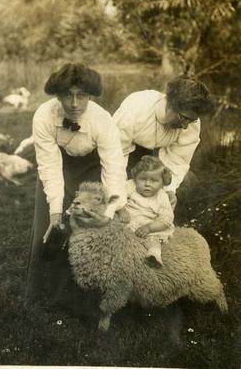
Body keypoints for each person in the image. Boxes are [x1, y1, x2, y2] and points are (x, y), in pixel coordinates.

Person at [25, 62, 127, 306]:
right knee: (49, 230)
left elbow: (113, 166)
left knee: (87, 226)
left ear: (90, 96)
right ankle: (41, 297)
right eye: (67, 96)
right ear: (57, 95)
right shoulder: (43, 116)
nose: (74, 104)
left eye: (81, 96)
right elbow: (49, 164)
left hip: (91, 167)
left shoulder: (102, 121)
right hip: (57, 166)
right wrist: (55, 210)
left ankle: (83, 296)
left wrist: (113, 208)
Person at [113, 76, 213, 208]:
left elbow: (178, 160)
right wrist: (119, 187)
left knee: (189, 182)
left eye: (191, 121)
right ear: (170, 104)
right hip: (122, 152)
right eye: (183, 118)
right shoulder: (136, 109)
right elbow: (115, 153)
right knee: (123, 192)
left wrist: (169, 190)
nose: (185, 126)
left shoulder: (191, 122)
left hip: (157, 156)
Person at [126, 155, 174, 266]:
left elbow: (166, 219)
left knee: (153, 241)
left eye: (154, 180)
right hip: (128, 222)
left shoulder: (161, 196)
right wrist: (120, 211)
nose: (147, 184)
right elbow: (118, 196)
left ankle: (154, 255)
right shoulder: (131, 185)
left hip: (149, 227)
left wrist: (149, 228)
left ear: (162, 182)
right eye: (142, 179)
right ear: (135, 178)